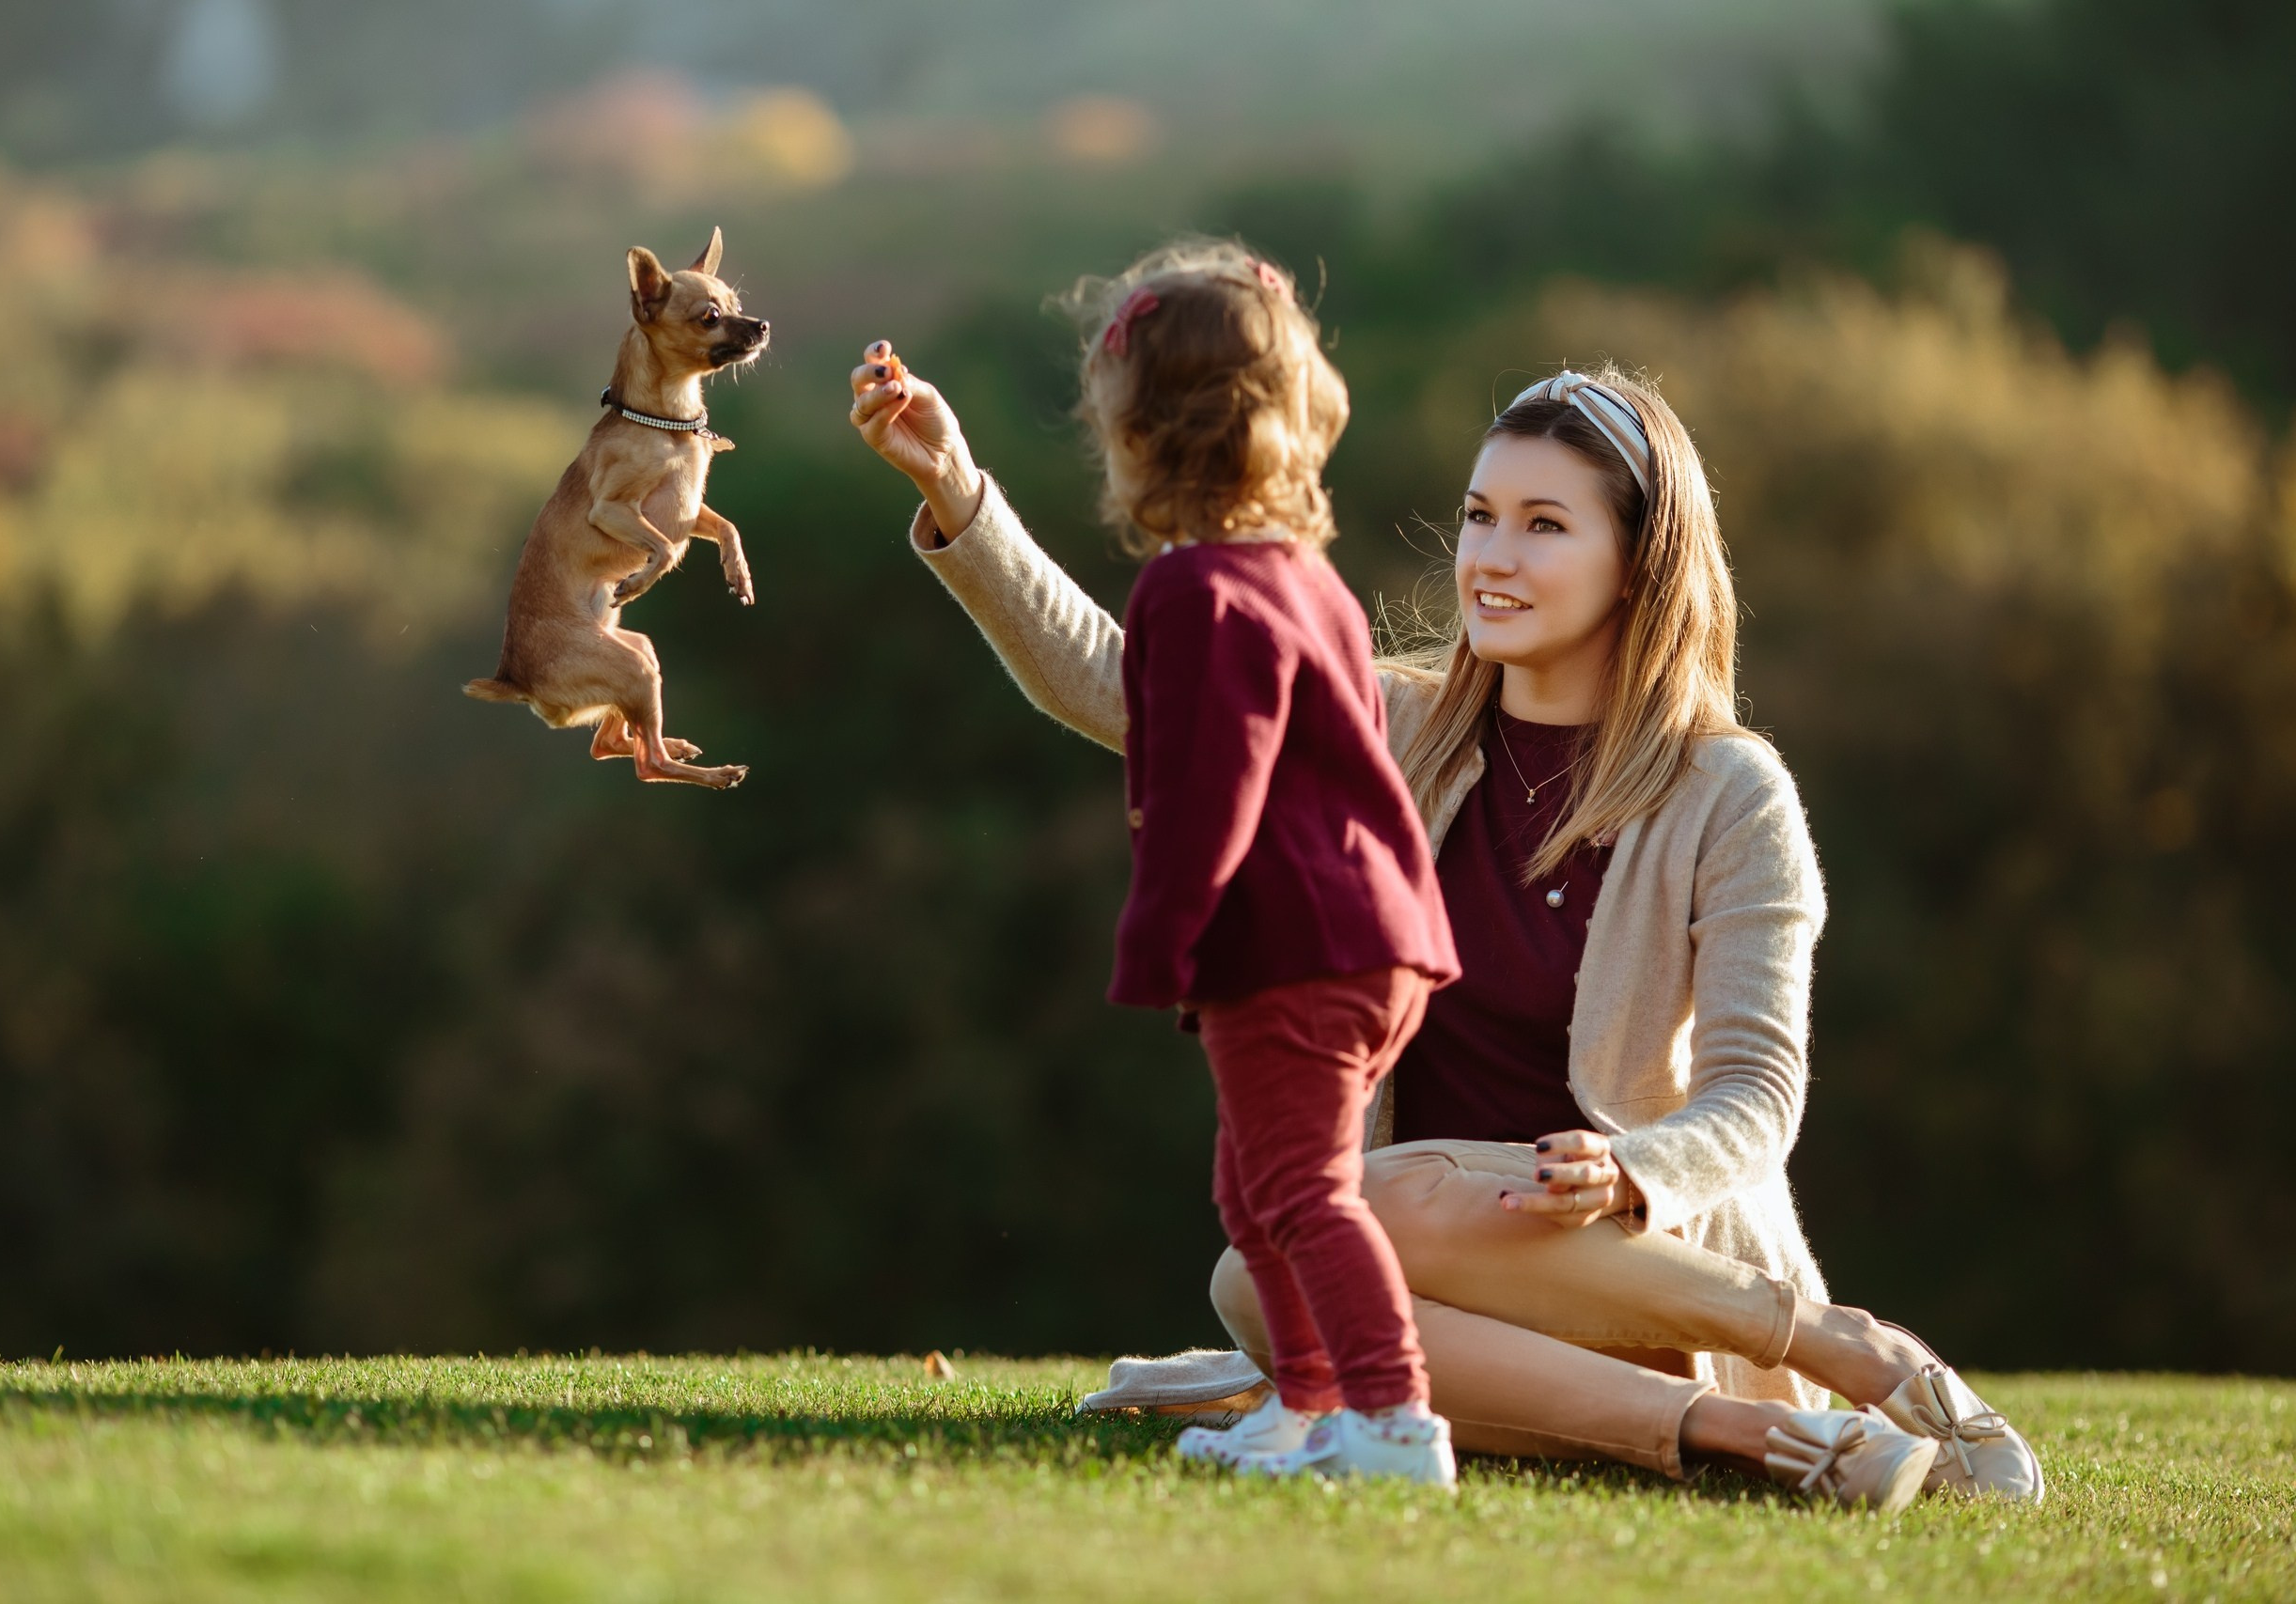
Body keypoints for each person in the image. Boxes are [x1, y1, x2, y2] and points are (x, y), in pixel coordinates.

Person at [849, 271, 2041, 1509]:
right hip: (1443, 1281)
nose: (1492, 556)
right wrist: (961, 495)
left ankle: (1829, 1348)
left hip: (1630, 1263)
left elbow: (1757, 1092)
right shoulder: (1398, 721)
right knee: (1264, 1275)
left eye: (1544, 524)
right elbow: (1126, 685)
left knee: (1339, 1213)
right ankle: (1765, 1445)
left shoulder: (1730, 794)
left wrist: (1637, 1169)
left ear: (1639, 563)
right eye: (1480, 516)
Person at [866, 241, 1468, 1485]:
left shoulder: (1198, 593)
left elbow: (1214, 793)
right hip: (1369, 940)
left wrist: (1159, 942)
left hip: (1299, 948)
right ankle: (1304, 1405)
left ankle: (1394, 1420)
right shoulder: (1309, 583)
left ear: (1144, 438)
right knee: (1259, 1202)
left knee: (1303, 1197)